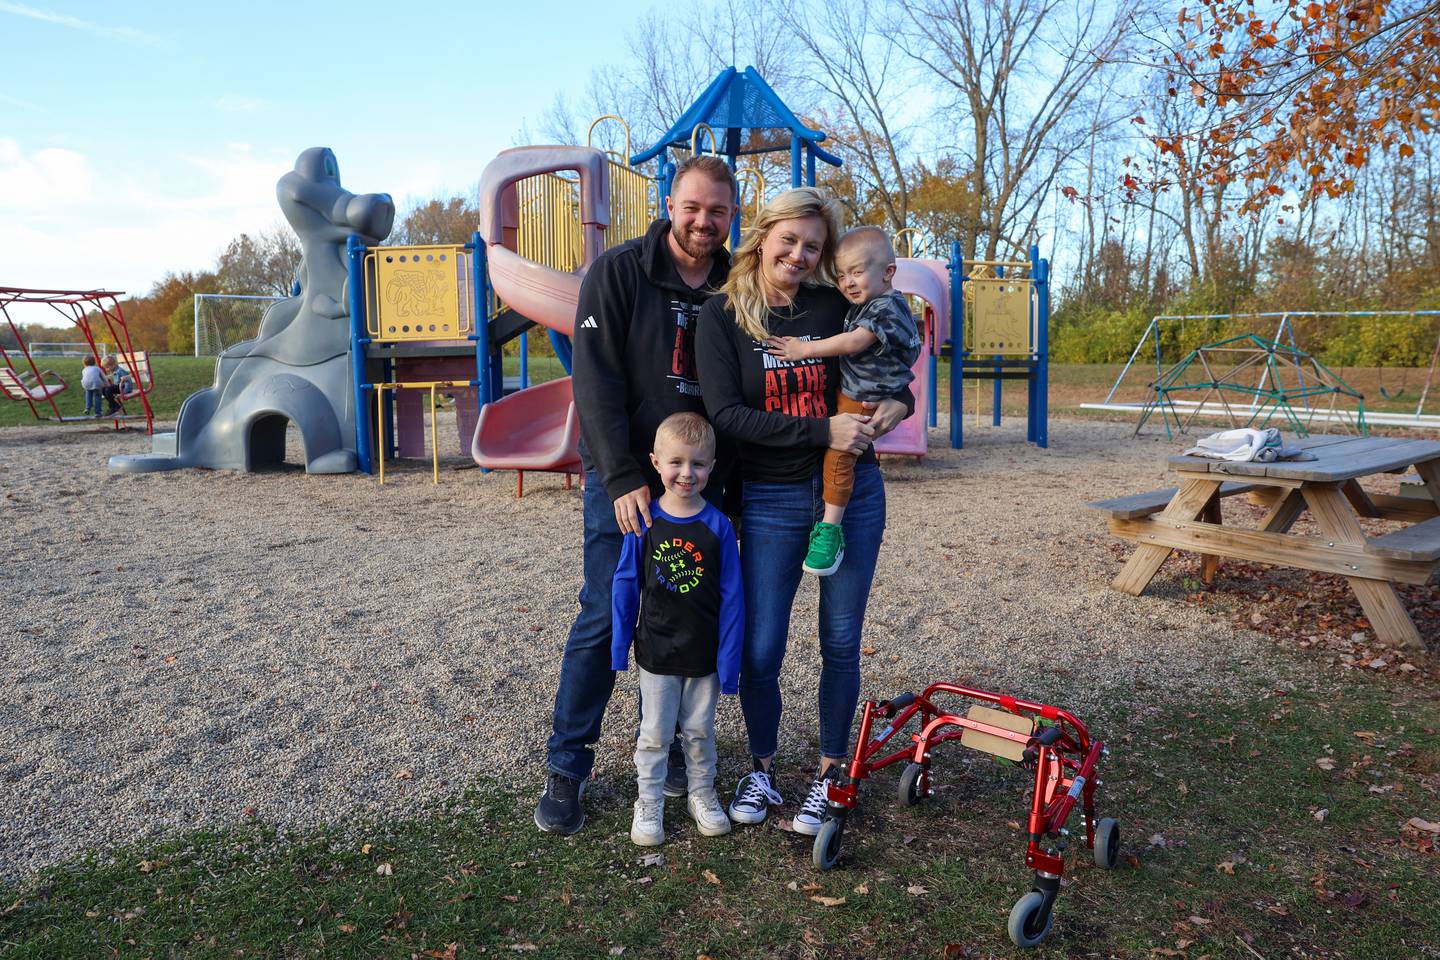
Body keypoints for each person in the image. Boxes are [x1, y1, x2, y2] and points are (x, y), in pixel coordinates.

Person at [694, 187, 911, 839]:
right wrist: (823, 434)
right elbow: (726, 416)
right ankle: (762, 768)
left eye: (812, 245)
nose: (799, 253)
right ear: (762, 236)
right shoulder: (724, 317)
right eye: (789, 239)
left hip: (853, 492)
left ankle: (828, 774)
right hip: (771, 498)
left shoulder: (829, 304)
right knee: (763, 646)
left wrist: (899, 402)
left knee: (840, 640)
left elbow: (890, 358)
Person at [534, 155, 739, 835]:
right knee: (605, 614)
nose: (703, 221)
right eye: (692, 206)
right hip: (630, 479)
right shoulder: (618, 273)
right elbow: (593, 382)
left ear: (731, 215)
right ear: (669, 203)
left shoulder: (738, 284)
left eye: (716, 211)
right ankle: (568, 765)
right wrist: (622, 477)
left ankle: (680, 752)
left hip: (702, 480)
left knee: (691, 616)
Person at [611, 413, 742, 846]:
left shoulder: (719, 527)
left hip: (703, 655)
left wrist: (729, 659)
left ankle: (702, 794)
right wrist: (618, 646)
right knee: (654, 734)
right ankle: (648, 801)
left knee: (701, 732)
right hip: (656, 652)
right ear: (655, 462)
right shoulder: (644, 521)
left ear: (713, 465)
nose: (687, 473)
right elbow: (626, 583)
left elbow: (732, 597)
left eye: (699, 464)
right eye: (677, 462)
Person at [765, 226, 921, 576]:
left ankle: (830, 529)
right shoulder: (871, 301)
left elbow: (853, 343)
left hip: (862, 395)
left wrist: (802, 350)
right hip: (855, 389)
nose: (848, 282)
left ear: (888, 273)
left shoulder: (884, 307)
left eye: (857, 272)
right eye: (840, 275)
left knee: (839, 458)